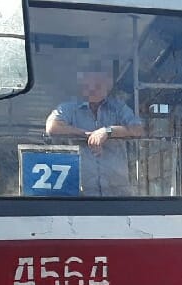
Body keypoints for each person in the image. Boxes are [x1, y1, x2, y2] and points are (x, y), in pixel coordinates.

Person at [45, 66, 145, 197]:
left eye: (97, 85)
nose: (92, 90)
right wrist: (88, 136)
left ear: (107, 86)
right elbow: (52, 127)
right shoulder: (69, 108)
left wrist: (107, 131)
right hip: (81, 195)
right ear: (81, 86)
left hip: (118, 194)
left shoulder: (119, 108)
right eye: (87, 86)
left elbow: (138, 130)